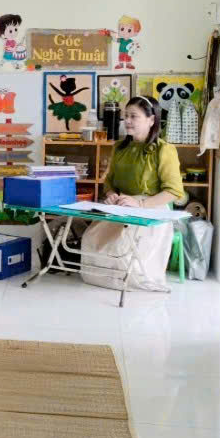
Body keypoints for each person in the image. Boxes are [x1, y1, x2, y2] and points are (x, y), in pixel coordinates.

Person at [81, 96, 185, 292]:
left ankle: (125, 278)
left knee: (123, 244)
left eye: (133, 116)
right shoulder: (120, 148)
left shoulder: (164, 150)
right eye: (126, 115)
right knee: (91, 237)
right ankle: (101, 277)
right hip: (121, 207)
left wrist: (141, 204)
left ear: (151, 120)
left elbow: (173, 191)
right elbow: (109, 181)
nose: (127, 121)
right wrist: (111, 194)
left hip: (150, 210)